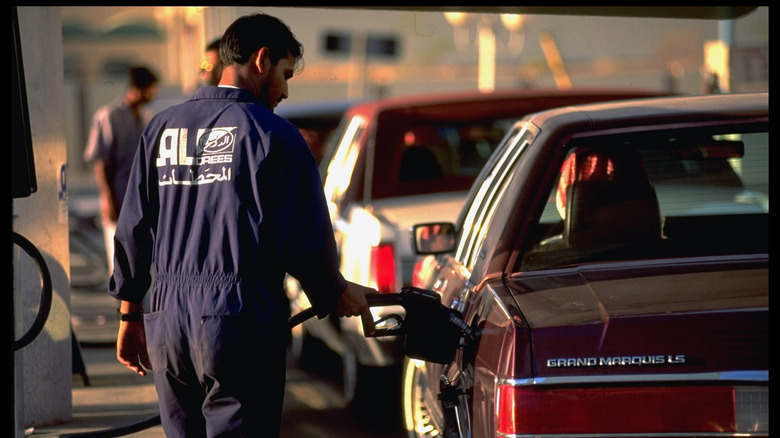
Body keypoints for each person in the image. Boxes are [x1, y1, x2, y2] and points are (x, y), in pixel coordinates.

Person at [110, 13, 373, 437]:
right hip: (238, 320)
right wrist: (333, 293)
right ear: (262, 59)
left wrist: (129, 315)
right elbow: (305, 239)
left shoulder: (160, 129)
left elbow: (134, 227)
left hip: (165, 323)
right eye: (286, 74)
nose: (286, 90)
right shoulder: (276, 137)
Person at [83, 66, 159, 277]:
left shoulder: (146, 117)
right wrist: (107, 198)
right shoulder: (109, 116)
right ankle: (122, 309)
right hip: (117, 197)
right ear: (139, 88)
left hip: (142, 199)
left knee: (142, 260)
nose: (154, 95)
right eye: (152, 90)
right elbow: (100, 160)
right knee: (119, 262)